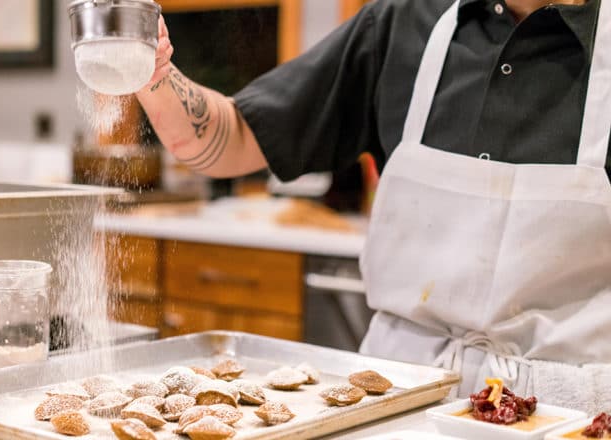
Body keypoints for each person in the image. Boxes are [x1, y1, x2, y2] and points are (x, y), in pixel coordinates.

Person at [133, 0, 611, 413]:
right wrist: (152, 72)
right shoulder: (403, 22)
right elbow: (231, 137)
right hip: (399, 400)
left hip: (565, 414)